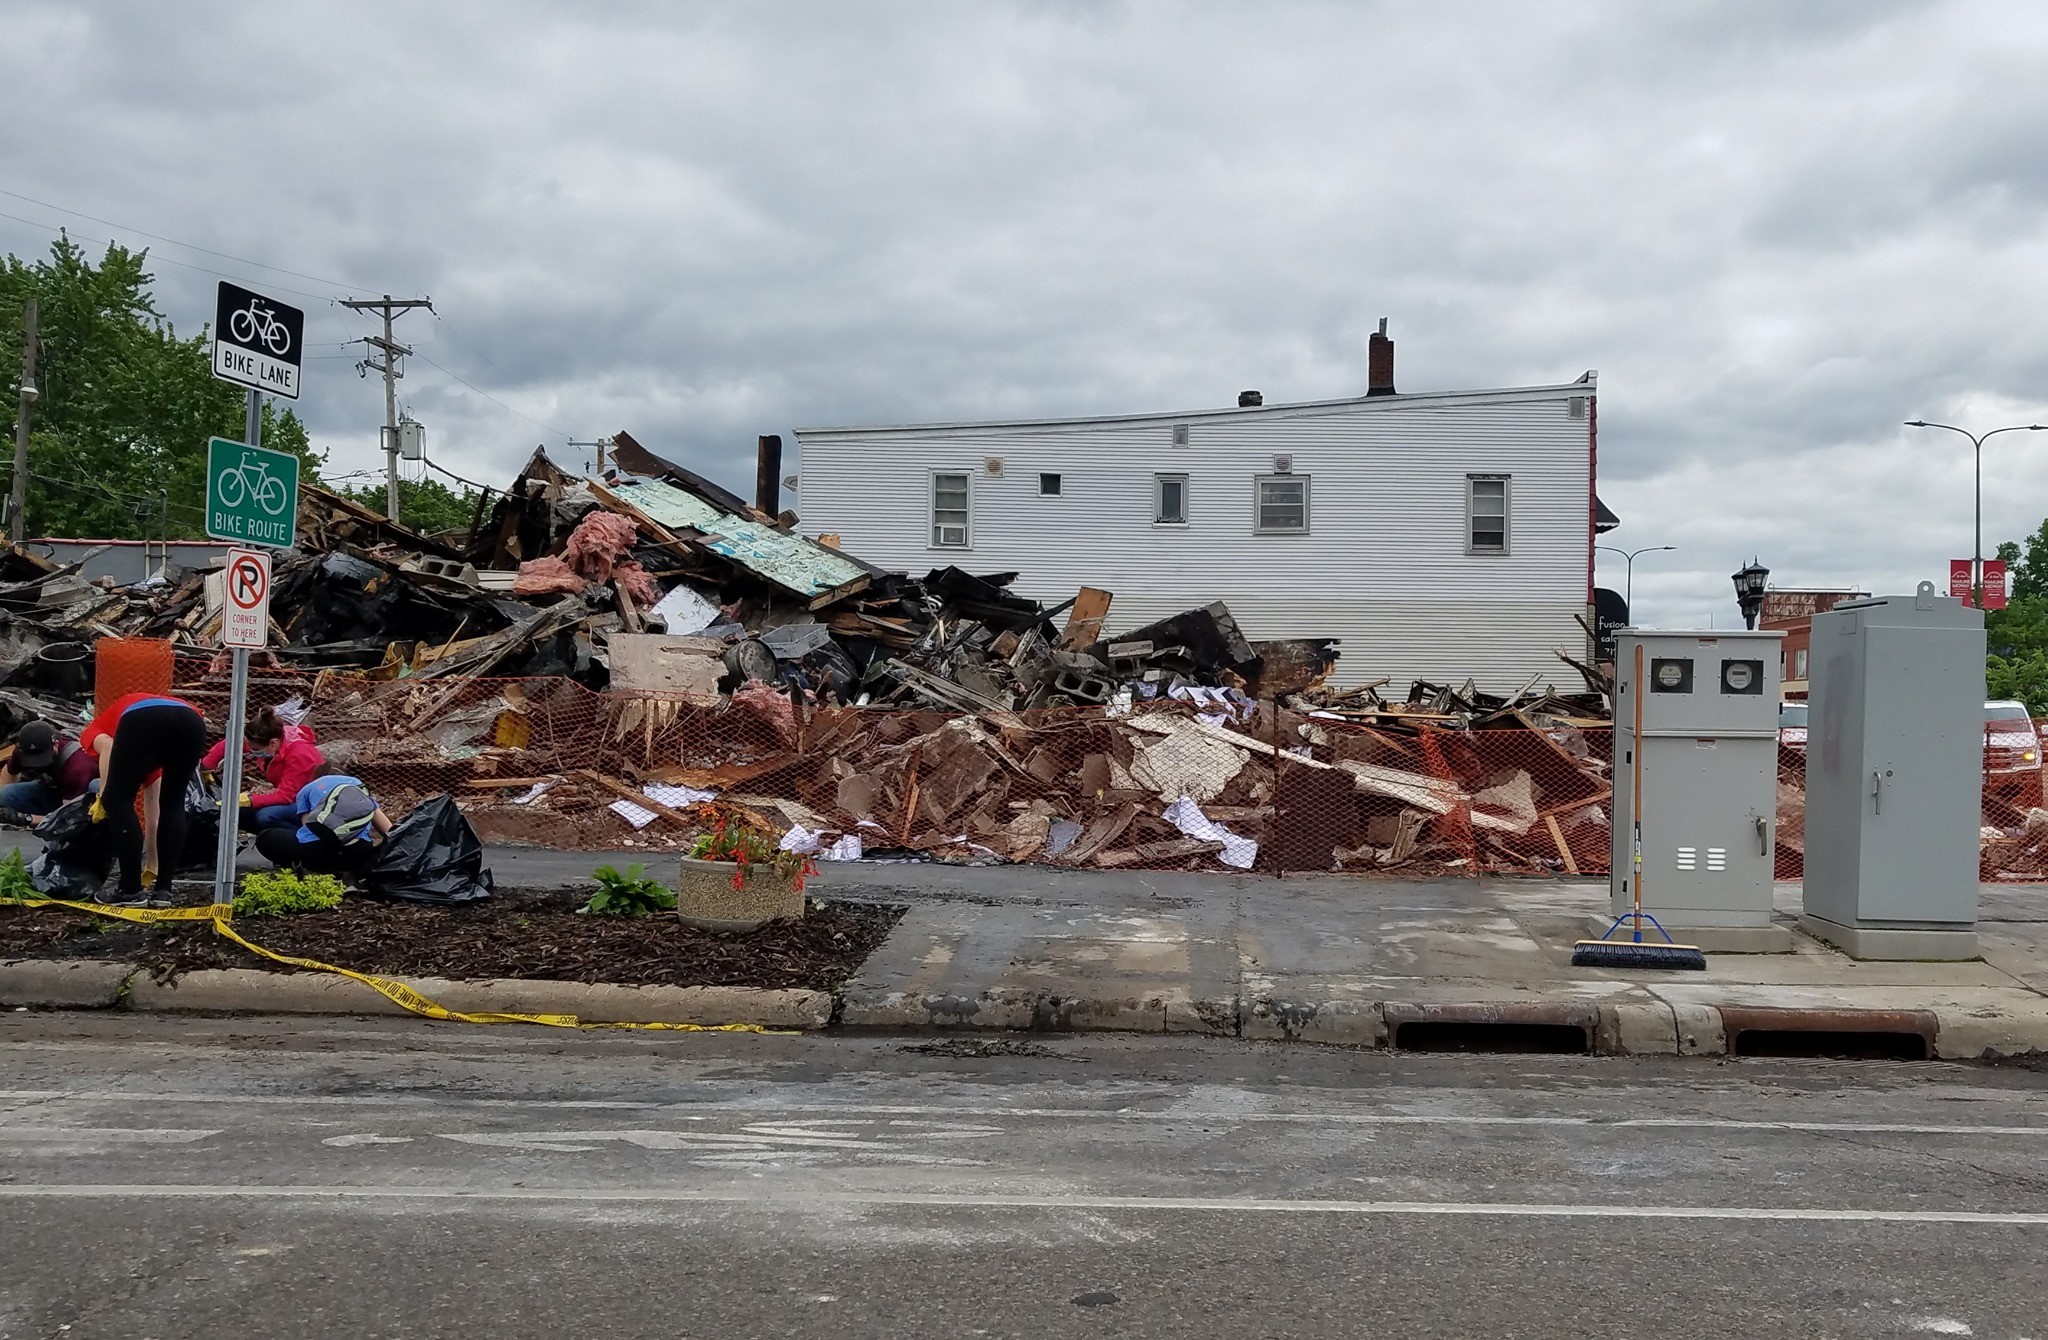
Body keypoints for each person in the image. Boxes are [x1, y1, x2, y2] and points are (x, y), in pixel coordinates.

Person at [78, 691, 208, 906]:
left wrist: (103, 795)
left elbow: (108, 747)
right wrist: (152, 865)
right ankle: (163, 891)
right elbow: (153, 815)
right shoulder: (149, 753)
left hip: (144, 718)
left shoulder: (91, 732)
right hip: (192, 720)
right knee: (172, 802)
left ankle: (129, 890)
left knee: (116, 800)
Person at [200, 707, 324, 832]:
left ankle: (305, 840)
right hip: (294, 796)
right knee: (238, 814)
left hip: (312, 803)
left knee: (266, 816)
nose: (251, 750)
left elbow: (286, 796)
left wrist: (249, 800)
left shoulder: (299, 755)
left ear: (273, 743)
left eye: (255, 749)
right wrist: (205, 769)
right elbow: (229, 744)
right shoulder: (269, 739)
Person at [254, 774, 394, 877]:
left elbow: (307, 825)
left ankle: (306, 868)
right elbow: (388, 830)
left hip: (318, 853)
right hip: (359, 852)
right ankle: (348, 870)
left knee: (266, 837)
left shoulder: (307, 789)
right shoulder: (357, 785)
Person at [0, 720, 98, 823]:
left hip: (82, 799)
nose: (37, 764)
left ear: (55, 744)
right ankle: (46, 816)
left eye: (41, 758)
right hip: (52, 790)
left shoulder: (78, 766)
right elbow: (10, 771)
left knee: (70, 823)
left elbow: (68, 815)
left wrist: (28, 819)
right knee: (6, 795)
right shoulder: (23, 750)